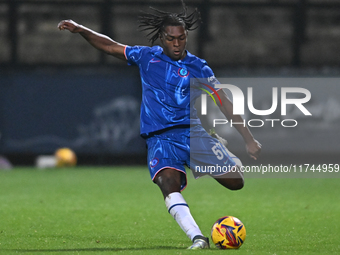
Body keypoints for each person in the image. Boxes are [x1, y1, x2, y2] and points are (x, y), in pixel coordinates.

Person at [58, 1, 261, 250]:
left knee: (236, 182)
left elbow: (224, 102)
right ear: (162, 39)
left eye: (181, 38)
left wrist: (248, 138)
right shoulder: (146, 57)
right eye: (171, 38)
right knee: (167, 183)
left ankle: (213, 149)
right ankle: (198, 238)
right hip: (159, 138)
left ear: (186, 38)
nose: (176, 44)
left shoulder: (199, 67)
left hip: (192, 134)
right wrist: (81, 29)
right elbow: (110, 46)